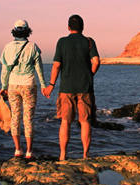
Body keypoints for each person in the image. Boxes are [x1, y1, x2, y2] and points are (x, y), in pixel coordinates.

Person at [42, 14, 100, 160]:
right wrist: (90, 75)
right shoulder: (89, 41)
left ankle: (62, 155)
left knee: (65, 121)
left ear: (68, 27)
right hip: (85, 88)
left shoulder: (62, 42)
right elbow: (96, 61)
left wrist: (50, 85)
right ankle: (85, 155)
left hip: (66, 89)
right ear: (82, 27)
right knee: (85, 121)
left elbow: (56, 66)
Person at [0, 19, 46, 159]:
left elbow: (5, 71)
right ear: (27, 31)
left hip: (13, 84)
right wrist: (43, 85)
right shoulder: (33, 47)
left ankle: (18, 149)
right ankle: (29, 152)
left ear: (14, 30)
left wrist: (3, 86)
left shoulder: (7, 47)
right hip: (29, 84)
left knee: (15, 117)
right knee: (28, 118)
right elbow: (39, 69)